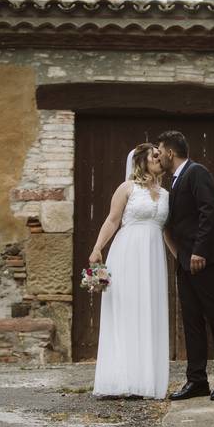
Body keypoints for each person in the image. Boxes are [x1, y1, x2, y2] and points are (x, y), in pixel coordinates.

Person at [157, 130, 214, 401]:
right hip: (186, 262)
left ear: (170, 152)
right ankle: (197, 380)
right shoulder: (176, 182)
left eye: (160, 151)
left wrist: (199, 251)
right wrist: (181, 256)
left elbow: (209, 211)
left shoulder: (197, 172)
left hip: (207, 260)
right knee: (191, 322)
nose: (158, 156)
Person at [89, 143, 172, 399]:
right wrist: (97, 249)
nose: (159, 159)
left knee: (149, 312)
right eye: (154, 156)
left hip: (153, 257)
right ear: (141, 161)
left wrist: (181, 257)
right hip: (126, 254)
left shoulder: (167, 194)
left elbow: (167, 231)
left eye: (160, 155)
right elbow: (112, 220)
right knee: (126, 312)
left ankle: (145, 381)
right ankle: (119, 380)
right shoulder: (127, 188)